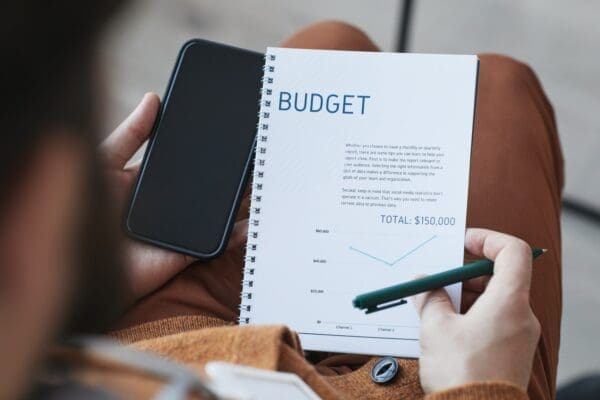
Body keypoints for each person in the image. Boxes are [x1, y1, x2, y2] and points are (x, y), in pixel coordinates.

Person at [0, 1, 563, 399]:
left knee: (335, 43)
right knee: (503, 88)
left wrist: (76, 286)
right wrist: (480, 389)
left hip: (143, 343)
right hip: (431, 380)